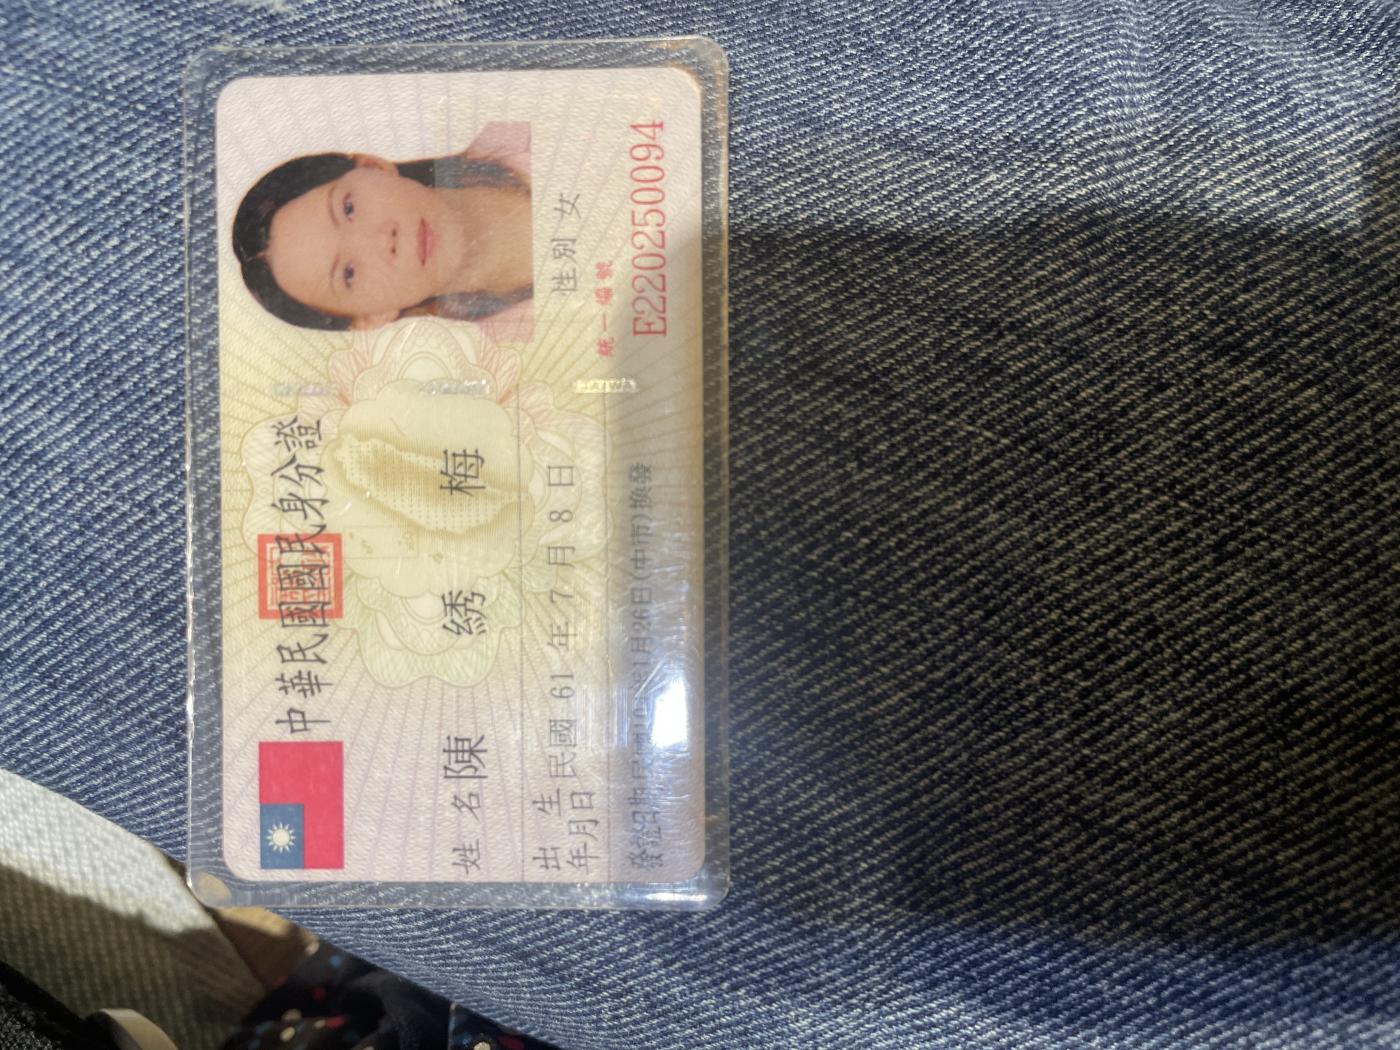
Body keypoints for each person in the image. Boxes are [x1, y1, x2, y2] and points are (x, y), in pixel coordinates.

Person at [233, 123, 532, 332]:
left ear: (372, 167)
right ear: (371, 317)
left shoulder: (526, 126)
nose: (383, 240)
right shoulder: (516, 364)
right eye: (348, 274)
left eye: (348, 208)